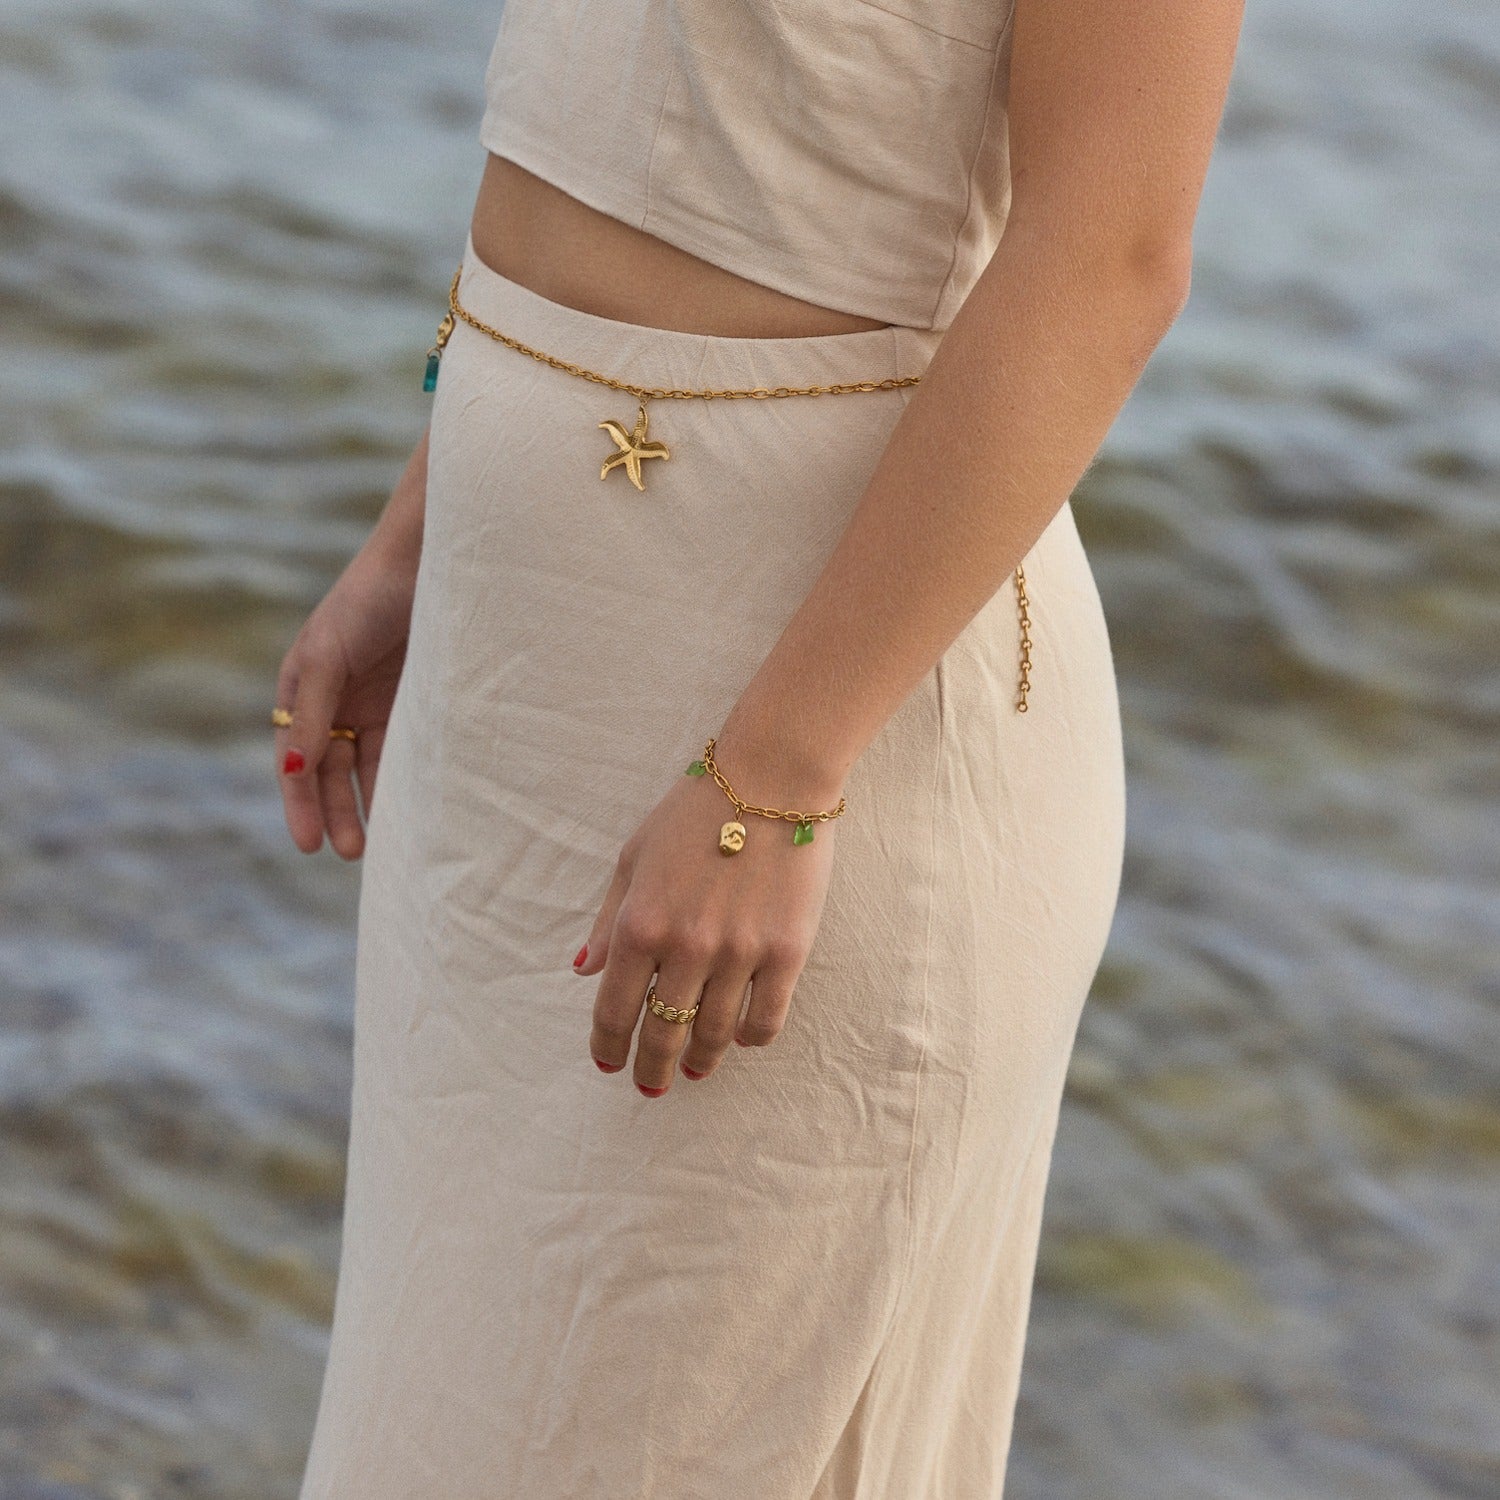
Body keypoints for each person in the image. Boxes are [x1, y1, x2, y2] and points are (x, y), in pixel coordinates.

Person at [277, 1, 1244, 1495]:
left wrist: (775, 779)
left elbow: (1111, 261)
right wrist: (421, 527)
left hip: (811, 734)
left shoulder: (780, 776)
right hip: (522, 689)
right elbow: (595, 133)